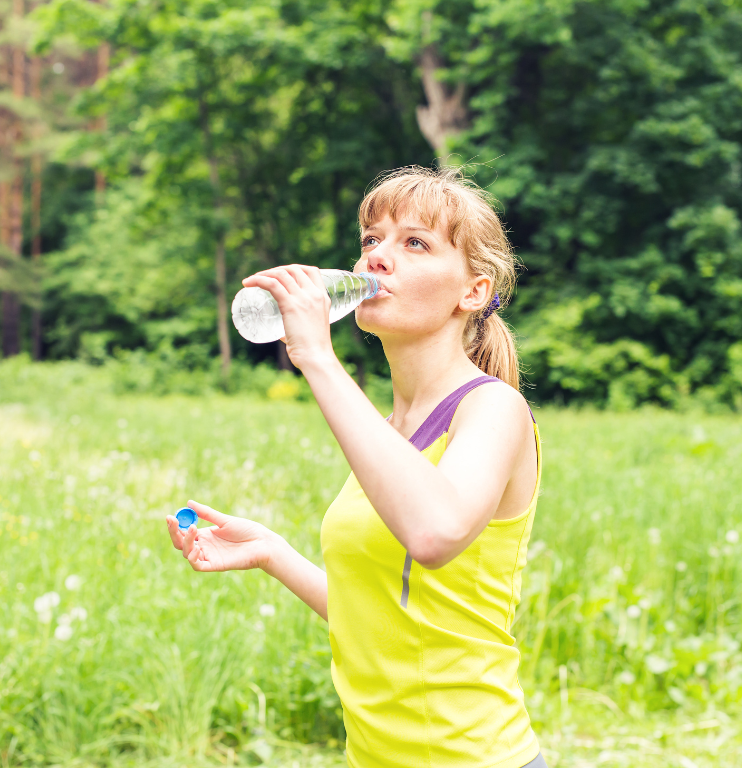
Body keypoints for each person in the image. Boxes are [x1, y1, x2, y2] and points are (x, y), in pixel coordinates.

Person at [165, 166, 547, 768]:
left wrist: (316, 356)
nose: (377, 257)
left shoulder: (493, 408)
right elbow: (378, 617)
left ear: (472, 292)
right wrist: (272, 553)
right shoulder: (387, 432)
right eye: (372, 239)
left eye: (415, 242)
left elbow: (435, 534)